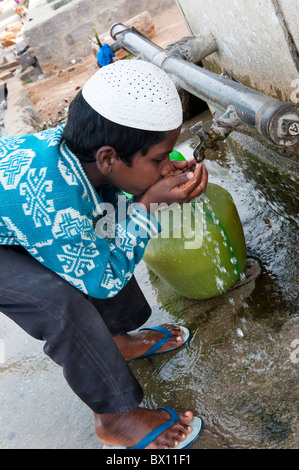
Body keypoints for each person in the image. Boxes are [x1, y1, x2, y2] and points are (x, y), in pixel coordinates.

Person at [0, 59, 208, 449]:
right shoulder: (58, 200)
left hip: (16, 212)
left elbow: (112, 205)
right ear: (110, 157)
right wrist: (147, 205)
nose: (168, 165)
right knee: (57, 303)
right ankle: (114, 421)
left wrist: (164, 172)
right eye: (159, 158)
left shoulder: (80, 158)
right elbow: (105, 278)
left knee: (105, 224)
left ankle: (114, 340)